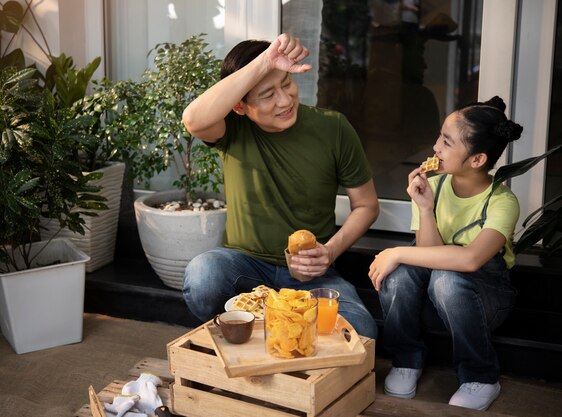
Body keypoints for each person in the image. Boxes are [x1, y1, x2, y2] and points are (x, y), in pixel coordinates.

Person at [181, 33, 380, 339]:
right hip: (244, 267)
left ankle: (262, 331)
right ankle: (271, 331)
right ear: (240, 106)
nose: (285, 100)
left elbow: (367, 205)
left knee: (361, 332)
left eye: (286, 84)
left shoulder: (333, 127)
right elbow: (193, 119)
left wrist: (329, 251)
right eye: (267, 94)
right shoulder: (231, 128)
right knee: (203, 275)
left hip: (311, 277)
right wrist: (265, 61)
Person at [368, 96, 523, 410]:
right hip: (437, 295)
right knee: (406, 273)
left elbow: (470, 259)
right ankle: (406, 360)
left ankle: (481, 375)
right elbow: (427, 257)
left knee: (446, 277)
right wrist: (425, 209)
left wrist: (396, 251)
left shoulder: (502, 202)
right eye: (440, 136)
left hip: (484, 302)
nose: (436, 147)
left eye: (447, 142)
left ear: (477, 160)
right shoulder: (434, 186)